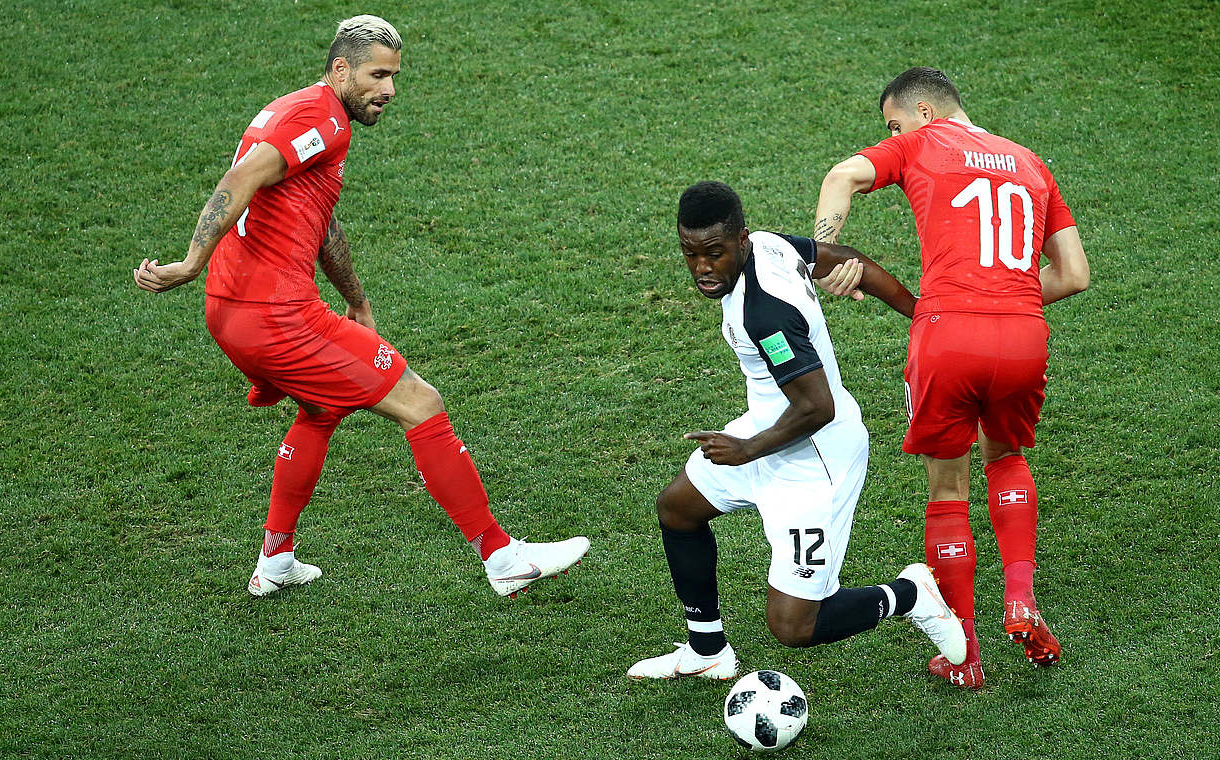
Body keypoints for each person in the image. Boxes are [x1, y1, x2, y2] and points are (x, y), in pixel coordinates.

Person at [132, 15, 588, 598]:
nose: (389, 90)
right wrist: (190, 261)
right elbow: (242, 176)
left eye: (394, 77)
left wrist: (357, 301)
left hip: (233, 313)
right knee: (422, 403)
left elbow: (319, 220)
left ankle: (276, 560)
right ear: (341, 69)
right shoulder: (321, 118)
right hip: (276, 315)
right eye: (377, 75)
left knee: (322, 410)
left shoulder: (294, 110)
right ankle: (502, 557)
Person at [812, 67, 1090, 688]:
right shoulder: (1031, 162)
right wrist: (1009, 298)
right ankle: (1019, 598)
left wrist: (824, 257)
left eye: (892, 123)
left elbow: (842, 177)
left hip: (948, 334)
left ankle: (964, 654)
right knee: (1007, 454)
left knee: (947, 486)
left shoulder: (921, 142)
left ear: (924, 111)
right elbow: (1073, 275)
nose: (892, 134)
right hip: (1023, 334)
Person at [627, 181, 965, 680]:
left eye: (714, 254)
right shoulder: (768, 245)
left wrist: (745, 450)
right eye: (690, 253)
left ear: (739, 241)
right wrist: (920, 315)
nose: (701, 268)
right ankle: (707, 651)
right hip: (767, 434)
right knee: (678, 509)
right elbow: (847, 259)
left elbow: (817, 407)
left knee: (794, 627)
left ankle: (909, 595)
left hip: (814, 461)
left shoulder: (765, 316)